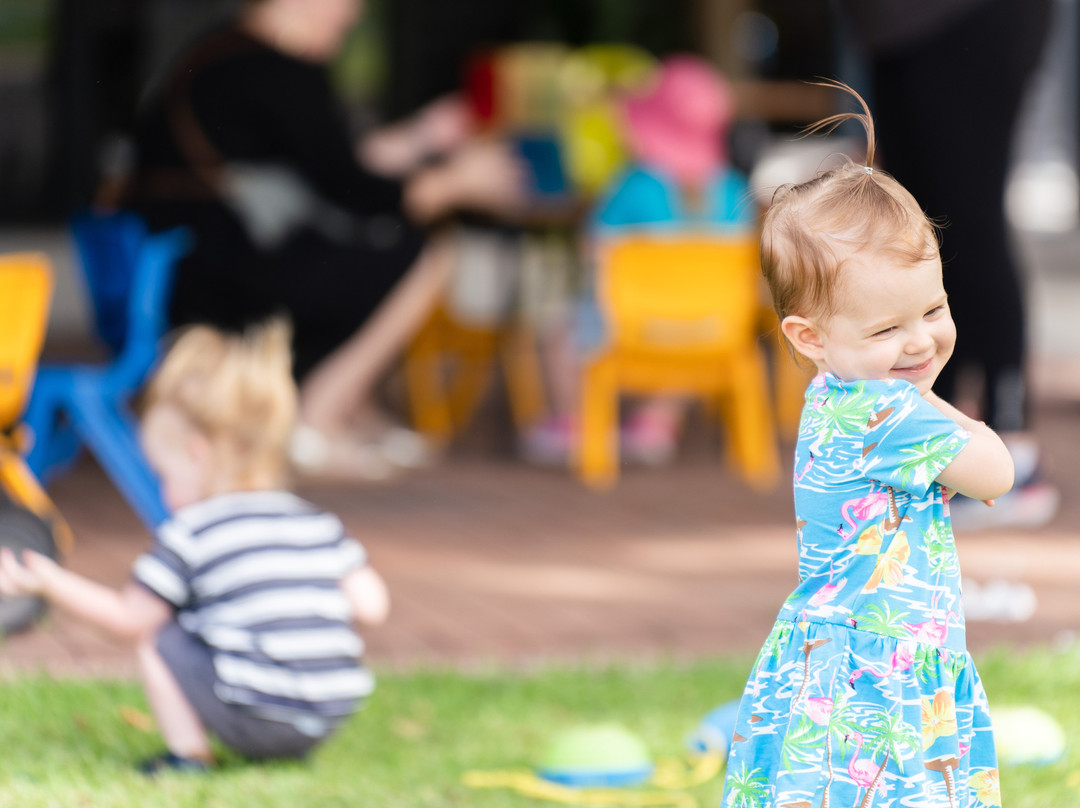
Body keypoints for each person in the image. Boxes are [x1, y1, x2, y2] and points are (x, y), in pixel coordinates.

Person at [720, 82, 1013, 806]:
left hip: (849, 659)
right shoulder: (888, 410)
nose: (919, 340)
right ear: (810, 338)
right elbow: (996, 472)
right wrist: (935, 397)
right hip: (876, 680)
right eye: (885, 331)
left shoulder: (836, 396)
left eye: (934, 310)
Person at [121, 0, 525, 481]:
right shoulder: (278, 68)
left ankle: (344, 411)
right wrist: (457, 184)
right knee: (416, 252)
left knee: (373, 250)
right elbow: (352, 190)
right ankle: (319, 416)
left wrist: (422, 137)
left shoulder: (222, 53)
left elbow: (329, 165)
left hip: (179, 265)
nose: (353, 17)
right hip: (223, 278)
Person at [0, 321, 390, 773]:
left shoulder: (191, 533)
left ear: (197, 454)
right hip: (328, 711)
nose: (164, 492)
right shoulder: (313, 522)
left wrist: (50, 581)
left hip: (254, 714)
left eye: (165, 475)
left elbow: (129, 621)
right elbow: (371, 607)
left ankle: (188, 755)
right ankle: (286, 741)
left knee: (162, 635)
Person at [838, 0, 1058, 529]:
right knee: (923, 229)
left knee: (970, 218)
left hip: (968, 19)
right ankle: (943, 450)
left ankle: (1015, 454)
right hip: (894, 31)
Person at [521, 55, 756, 466]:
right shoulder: (735, 190)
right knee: (691, 324)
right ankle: (655, 423)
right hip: (714, 332)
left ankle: (577, 423)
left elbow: (593, 246)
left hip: (630, 328)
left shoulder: (633, 184)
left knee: (559, 330)